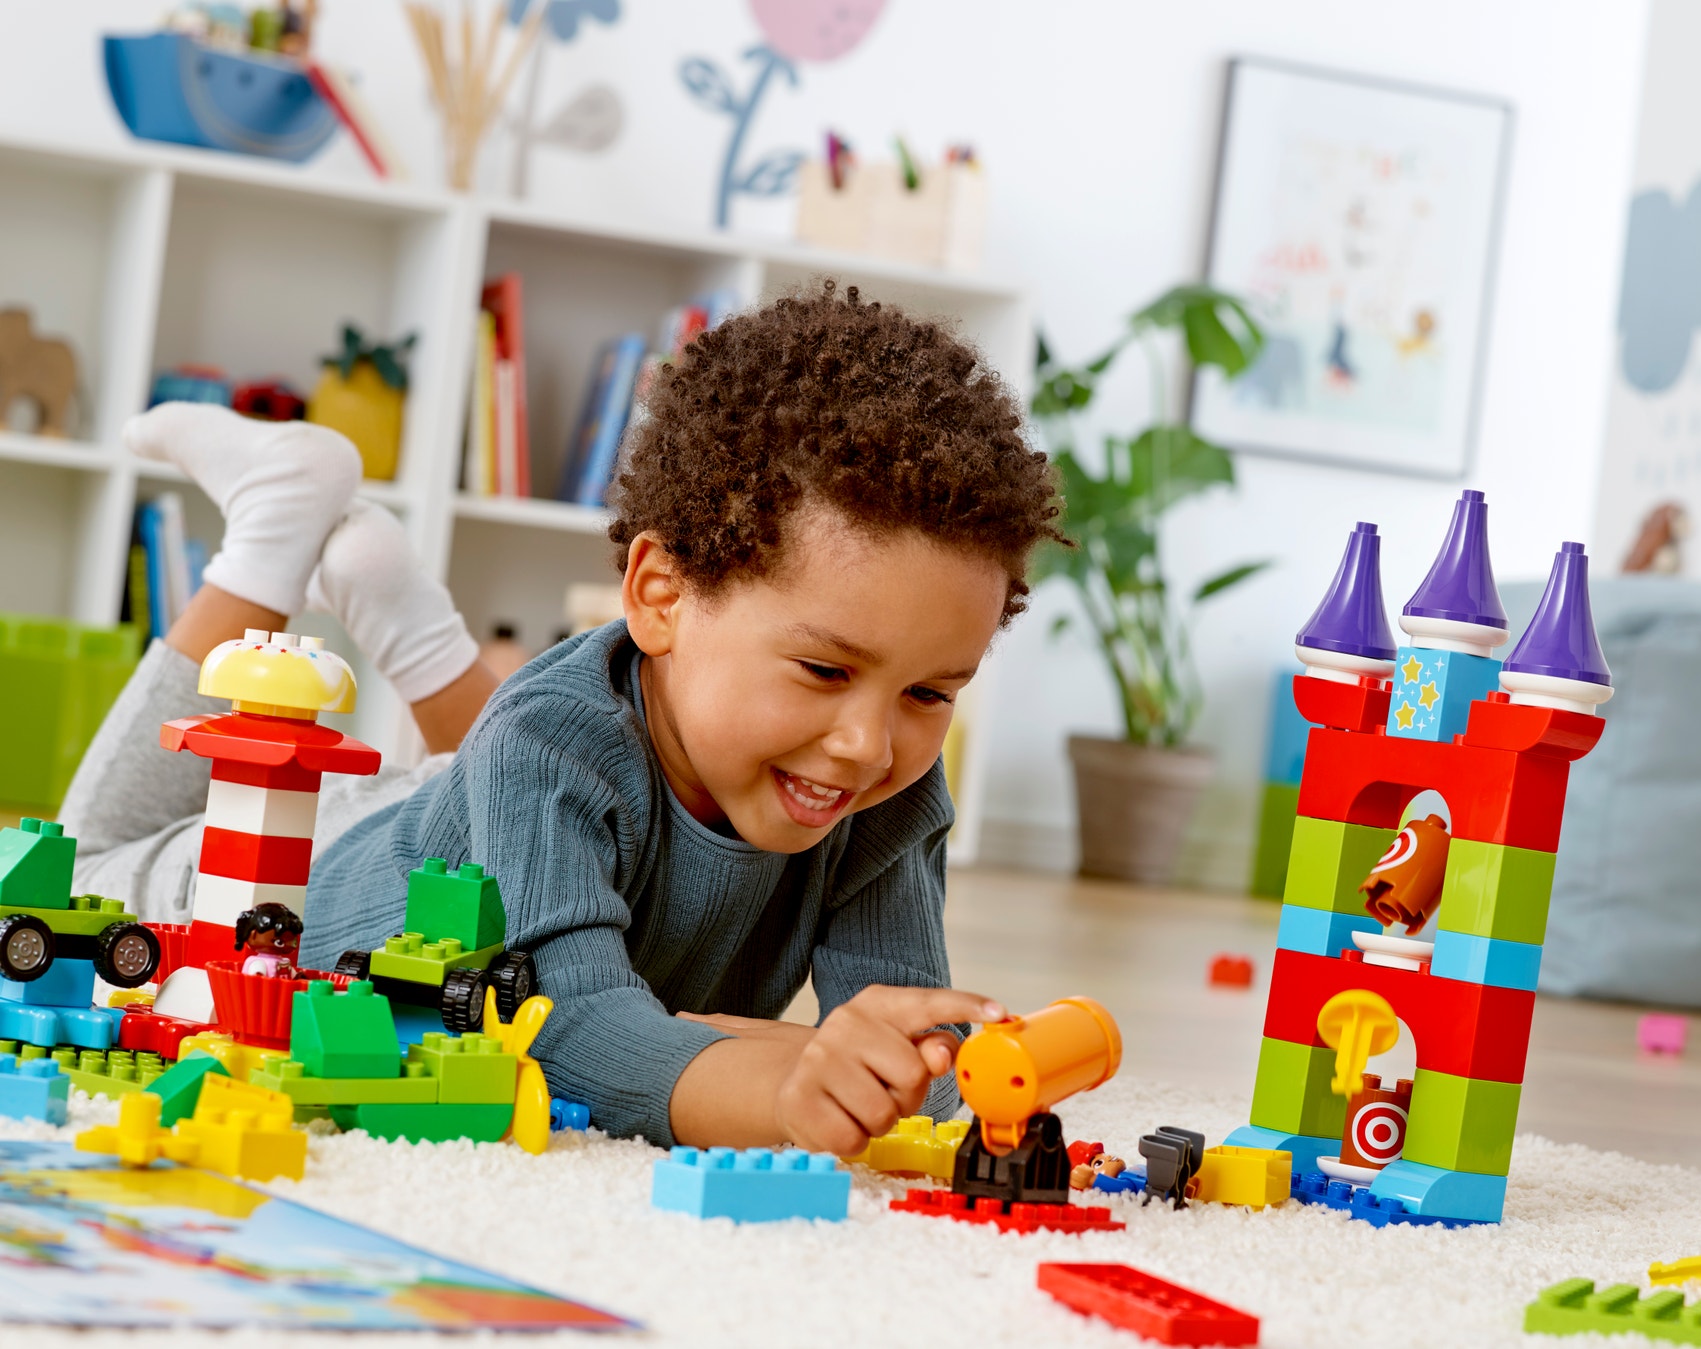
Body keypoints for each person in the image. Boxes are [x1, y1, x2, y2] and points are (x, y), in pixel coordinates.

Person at [60, 283, 1064, 1155]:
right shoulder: (547, 740)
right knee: (70, 870)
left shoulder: (883, 788)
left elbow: (914, 1045)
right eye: (822, 669)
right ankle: (271, 530)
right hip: (274, 884)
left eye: (931, 693)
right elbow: (564, 1027)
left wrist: (935, 1063)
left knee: (510, 768)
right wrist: (781, 1080)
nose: (869, 744)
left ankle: (392, 598)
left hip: (481, 821)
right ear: (661, 594)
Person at [234, 901, 304, 978]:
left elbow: (291, 974)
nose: (289, 945)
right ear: (253, 935)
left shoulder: (284, 962)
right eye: (279, 942)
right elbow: (255, 975)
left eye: (294, 942)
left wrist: (297, 977)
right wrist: (258, 974)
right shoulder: (258, 962)